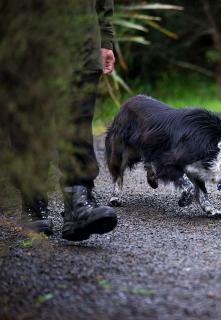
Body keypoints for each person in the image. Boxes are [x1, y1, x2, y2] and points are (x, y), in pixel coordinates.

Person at [2, 0, 118, 241]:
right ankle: (33, 204)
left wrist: (105, 38)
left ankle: (78, 203)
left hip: (82, 40)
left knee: (77, 123)